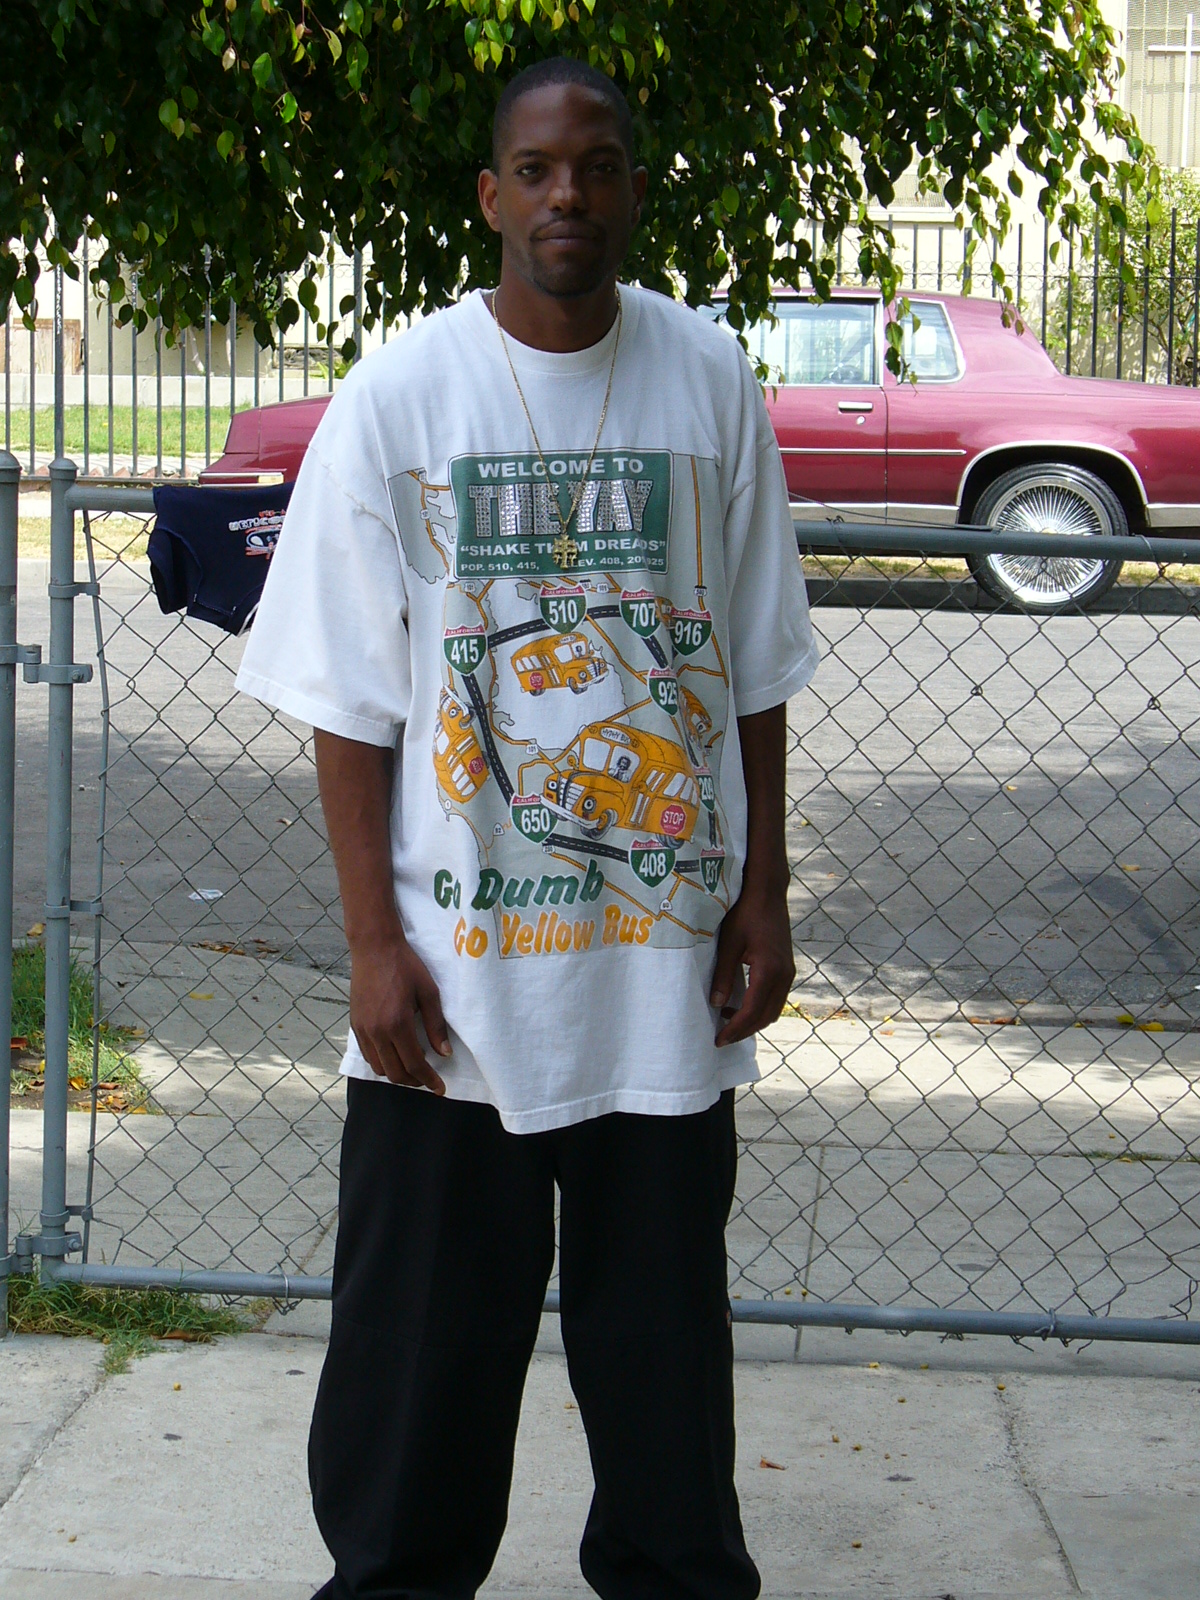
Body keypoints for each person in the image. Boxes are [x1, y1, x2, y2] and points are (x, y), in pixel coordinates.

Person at [236, 54, 819, 1600]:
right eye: (541, 170)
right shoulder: (402, 396)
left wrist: (764, 893)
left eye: (599, 166)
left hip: (658, 977)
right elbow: (346, 699)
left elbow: (755, 663)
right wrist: (373, 945)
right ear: (493, 195)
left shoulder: (708, 380)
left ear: (635, 189)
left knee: (665, 1372)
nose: (572, 195)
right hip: (452, 995)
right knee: (418, 1377)